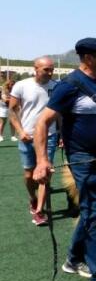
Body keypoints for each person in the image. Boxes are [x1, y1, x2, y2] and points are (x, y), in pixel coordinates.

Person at [32, 37, 96, 281]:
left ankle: (73, 259)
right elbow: (43, 123)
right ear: (88, 58)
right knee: (95, 213)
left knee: (92, 209)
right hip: (83, 160)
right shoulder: (69, 85)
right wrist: (42, 160)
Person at [8, 57, 58, 226]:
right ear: (35, 69)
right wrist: (20, 131)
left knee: (45, 173)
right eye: (46, 70)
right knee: (29, 175)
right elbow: (12, 111)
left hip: (49, 136)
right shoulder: (21, 86)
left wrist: (62, 134)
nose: (50, 73)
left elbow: (60, 114)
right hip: (27, 136)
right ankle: (32, 199)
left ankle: (39, 211)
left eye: (52, 69)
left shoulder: (56, 87)